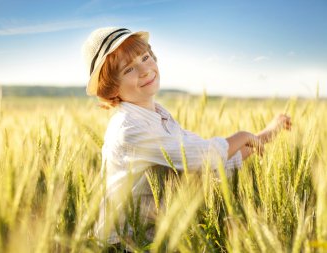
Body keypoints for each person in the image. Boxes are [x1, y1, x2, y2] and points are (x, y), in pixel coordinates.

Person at [82, 27, 292, 247]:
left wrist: (265, 135)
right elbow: (204, 157)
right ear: (111, 89)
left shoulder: (160, 117)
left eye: (145, 57)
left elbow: (210, 166)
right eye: (129, 69)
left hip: (150, 240)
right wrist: (244, 135)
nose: (145, 69)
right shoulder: (129, 128)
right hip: (123, 245)